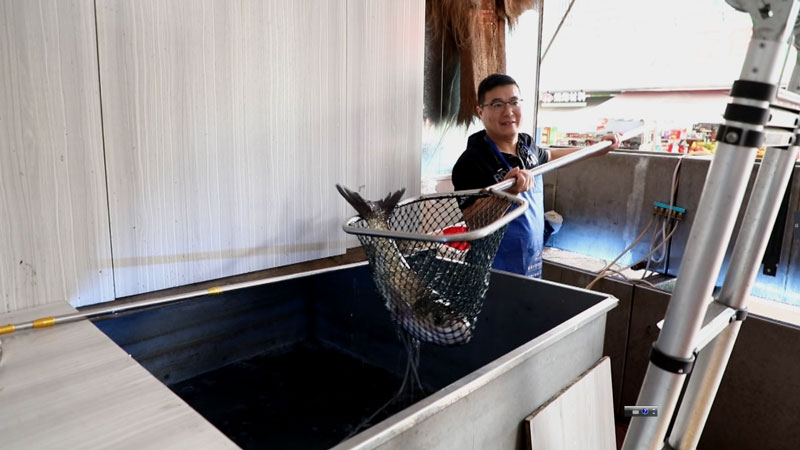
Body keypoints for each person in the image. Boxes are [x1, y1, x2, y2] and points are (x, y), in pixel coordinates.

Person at [451, 74, 620, 278]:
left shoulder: (527, 146)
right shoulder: (471, 161)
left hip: (531, 261)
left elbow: (552, 156)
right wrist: (507, 194)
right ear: (481, 111)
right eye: (497, 104)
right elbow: (474, 222)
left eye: (514, 102)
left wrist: (596, 149)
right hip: (491, 271)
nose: (508, 111)